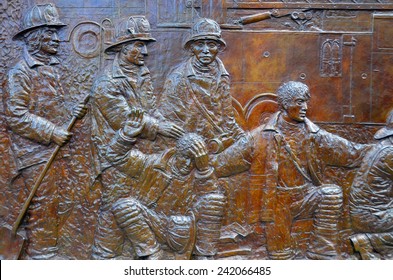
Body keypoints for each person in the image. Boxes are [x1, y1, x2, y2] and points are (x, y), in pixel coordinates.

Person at [213, 81, 371, 259]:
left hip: (306, 196)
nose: (305, 107)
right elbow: (224, 162)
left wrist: (380, 148)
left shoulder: (314, 134)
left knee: (331, 193)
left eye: (306, 102)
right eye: (299, 102)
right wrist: (201, 161)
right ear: (285, 104)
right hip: (277, 204)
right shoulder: (261, 136)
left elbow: (350, 152)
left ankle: (321, 250)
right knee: (280, 256)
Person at [90, 16, 184, 259]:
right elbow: (124, 120)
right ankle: (109, 255)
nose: (145, 51)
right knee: (117, 207)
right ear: (123, 48)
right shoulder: (106, 82)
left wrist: (166, 123)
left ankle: (125, 254)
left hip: (140, 153)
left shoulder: (142, 74)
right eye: (138, 45)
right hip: (115, 155)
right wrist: (160, 128)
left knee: (130, 207)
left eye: (146, 45)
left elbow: (151, 109)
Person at [3, 3, 87, 259]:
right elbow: (16, 116)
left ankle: (46, 251)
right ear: (35, 37)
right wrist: (51, 132)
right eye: (50, 33)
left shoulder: (50, 68)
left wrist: (73, 111)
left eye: (55, 32)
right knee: (43, 204)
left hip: (52, 150)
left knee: (54, 203)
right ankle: (41, 256)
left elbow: (50, 106)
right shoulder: (20, 73)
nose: (56, 38)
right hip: (34, 154)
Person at [98, 109, 226, 259]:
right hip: (152, 226)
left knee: (214, 201)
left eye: (193, 160)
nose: (187, 164)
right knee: (124, 206)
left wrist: (204, 169)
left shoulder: (200, 174)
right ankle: (151, 254)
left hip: (184, 230)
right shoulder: (152, 164)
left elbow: (212, 199)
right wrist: (125, 136)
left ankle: (204, 257)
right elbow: (115, 156)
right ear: (177, 152)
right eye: (185, 157)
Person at [158, 17, 244, 154]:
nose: (206, 50)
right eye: (200, 44)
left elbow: (228, 119)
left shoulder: (222, 76)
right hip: (188, 147)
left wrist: (243, 138)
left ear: (218, 48)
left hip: (218, 144)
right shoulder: (178, 78)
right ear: (192, 48)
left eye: (211, 44)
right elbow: (168, 121)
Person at [349, 110, 393, 259]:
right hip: (372, 216)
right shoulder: (390, 153)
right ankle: (370, 241)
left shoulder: (382, 147)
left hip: (368, 212)